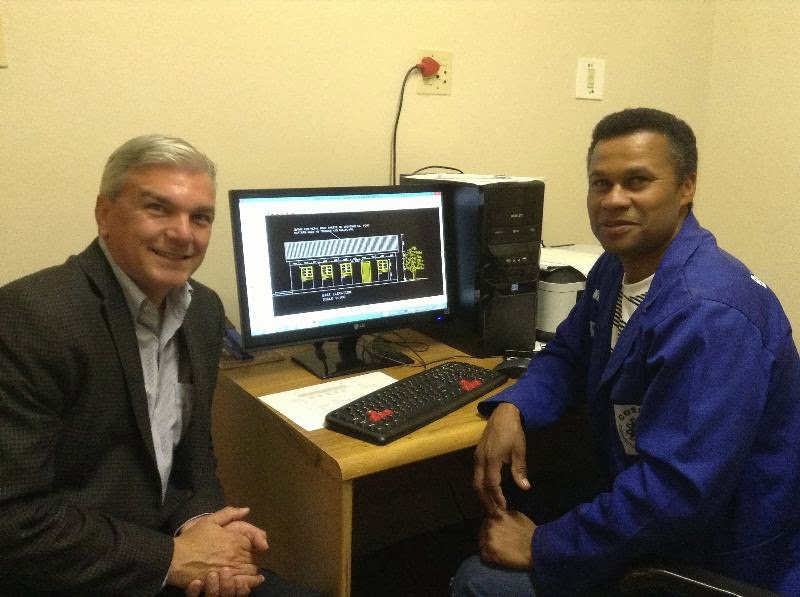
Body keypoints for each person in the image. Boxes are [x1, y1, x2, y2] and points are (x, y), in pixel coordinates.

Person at [451, 108, 800, 595]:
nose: (613, 200)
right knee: (498, 507)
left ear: (686, 187)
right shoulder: (617, 268)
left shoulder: (710, 315)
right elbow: (569, 353)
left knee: (480, 581)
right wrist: (515, 405)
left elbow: (677, 493)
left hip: (711, 554)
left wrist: (544, 546)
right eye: (601, 183)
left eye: (637, 181)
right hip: (651, 502)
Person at [0, 135, 317, 597]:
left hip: (170, 554)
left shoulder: (203, 310)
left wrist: (206, 525)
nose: (183, 233)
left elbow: (194, 455)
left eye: (200, 217)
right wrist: (172, 558)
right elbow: (12, 517)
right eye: (158, 208)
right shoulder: (30, 317)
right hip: (72, 573)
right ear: (104, 214)